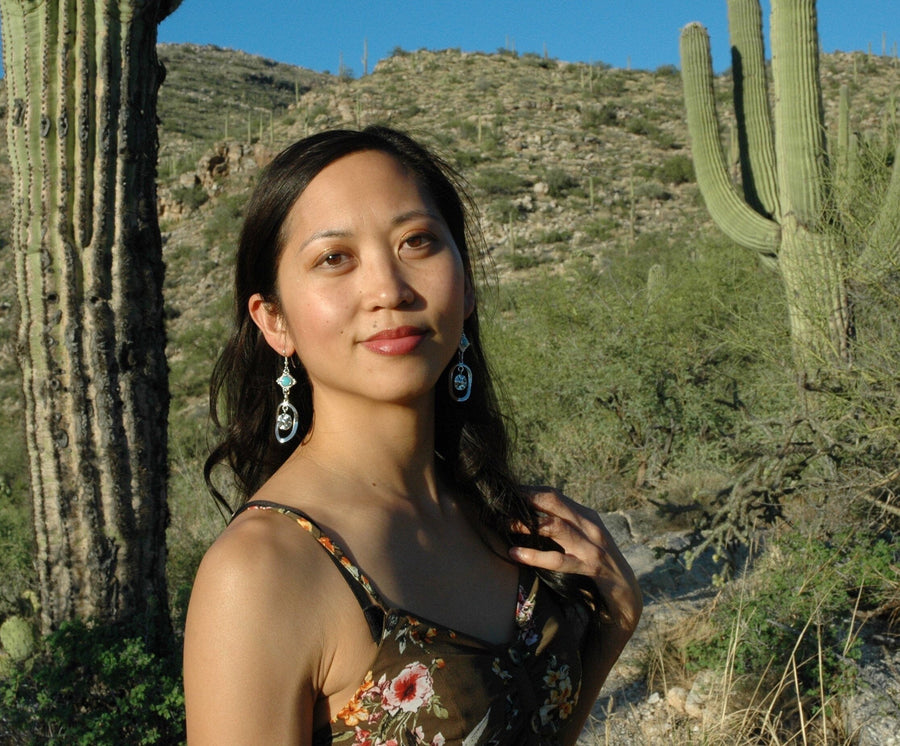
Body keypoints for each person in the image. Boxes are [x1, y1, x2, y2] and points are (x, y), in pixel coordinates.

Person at [183, 126, 642, 745]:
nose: (388, 291)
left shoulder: (497, 514)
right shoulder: (264, 569)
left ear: (468, 281)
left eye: (417, 242)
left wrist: (612, 626)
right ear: (275, 320)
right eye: (334, 258)